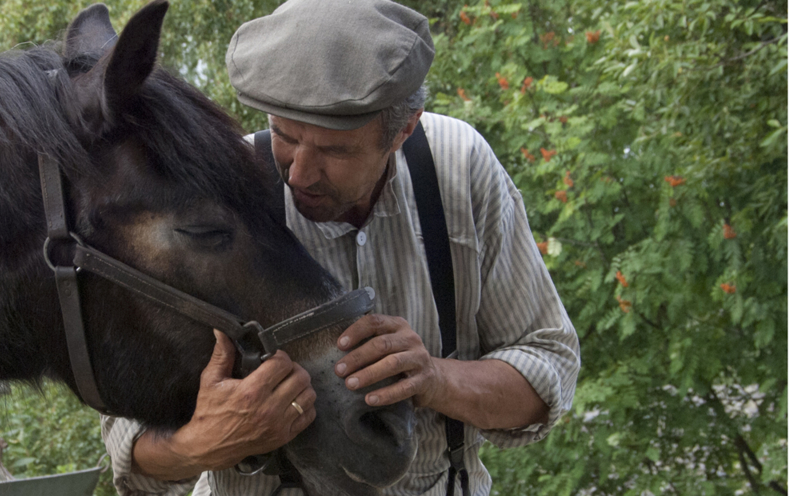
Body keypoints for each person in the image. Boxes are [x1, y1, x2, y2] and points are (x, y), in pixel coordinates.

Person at [100, 0, 581, 495]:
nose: (299, 173)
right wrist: (202, 444)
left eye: (335, 150)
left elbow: (549, 372)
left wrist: (435, 379)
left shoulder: (457, 170)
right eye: (284, 135)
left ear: (404, 128)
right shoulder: (222, 194)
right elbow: (126, 443)